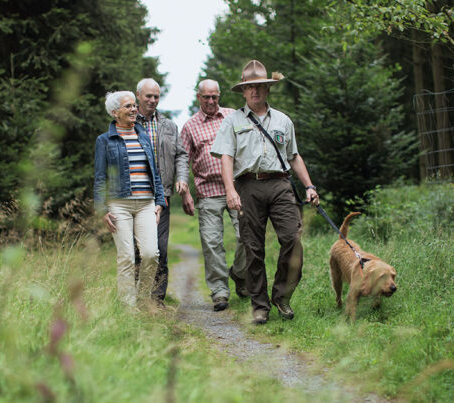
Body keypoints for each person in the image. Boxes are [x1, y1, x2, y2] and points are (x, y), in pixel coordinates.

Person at [210, 60, 320, 325]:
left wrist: (310, 186)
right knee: (252, 247)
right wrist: (230, 191)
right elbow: (225, 157)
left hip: (281, 185)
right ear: (244, 92)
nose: (255, 92)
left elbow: (294, 157)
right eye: (250, 88)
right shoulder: (232, 121)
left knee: (292, 240)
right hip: (248, 185)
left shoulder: (283, 120)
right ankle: (259, 306)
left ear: (267, 89)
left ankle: (282, 297)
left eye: (259, 87)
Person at [180, 79, 248, 312]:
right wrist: (185, 191)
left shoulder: (233, 116)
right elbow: (183, 160)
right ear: (198, 97)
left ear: (219, 96)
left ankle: (239, 274)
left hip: (238, 188)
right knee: (211, 243)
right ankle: (220, 291)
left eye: (214, 97)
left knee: (247, 236)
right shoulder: (190, 126)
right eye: (206, 97)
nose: (211, 101)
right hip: (208, 191)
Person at [94, 91, 166, 308]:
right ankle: (128, 308)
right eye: (128, 106)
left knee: (151, 254)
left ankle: (144, 300)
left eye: (135, 106)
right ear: (115, 112)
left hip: (146, 203)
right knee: (126, 257)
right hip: (119, 205)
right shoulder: (104, 140)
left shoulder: (142, 135)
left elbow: (154, 171)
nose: (134, 110)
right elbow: (100, 177)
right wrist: (101, 209)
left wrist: (160, 201)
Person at [135, 78, 189, 305]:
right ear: (138, 96)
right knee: (138, 250)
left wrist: (182, 179)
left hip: (162, 195)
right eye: (148, 96)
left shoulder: (168, 126)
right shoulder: (128, 123)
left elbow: (181, 155)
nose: (152, 100)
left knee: (160, 249)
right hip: (136, 195)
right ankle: (137, 298)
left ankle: (157, 299)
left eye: (156, 96)